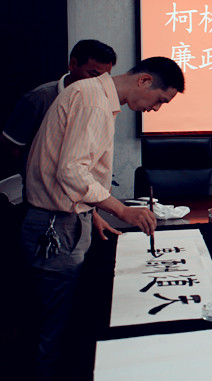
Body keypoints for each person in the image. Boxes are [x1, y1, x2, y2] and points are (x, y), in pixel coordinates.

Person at [21, 56, 185, 380]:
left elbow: (65, 163)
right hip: (55, 225)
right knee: (55, 325)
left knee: (62, 319)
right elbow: (70, 171)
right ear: (144, 81)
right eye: (160, 100)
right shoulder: (94, 102)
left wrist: (91, 211)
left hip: (66, 218)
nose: (155, 109)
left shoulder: (93, 95)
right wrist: (121, 209)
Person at [1, 39, 120, 239]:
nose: (99, 83)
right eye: (93, 75)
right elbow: (11, 147)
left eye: (104, 78)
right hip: (43, 203)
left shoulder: (98, 101)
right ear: (73, 64)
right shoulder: (39, 99)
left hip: (78, 203)